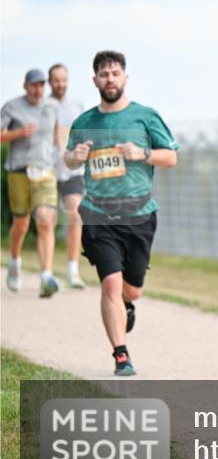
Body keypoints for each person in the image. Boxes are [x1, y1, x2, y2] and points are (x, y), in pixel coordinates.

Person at [64, 50, 179, 376]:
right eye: (104, 74)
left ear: (124, 77)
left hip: (139, 215)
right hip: (99, 215)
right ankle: (121, 355)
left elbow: (171, 158)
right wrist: (76, 155)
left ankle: (126, 305)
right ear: (95, 80)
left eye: (115, 73)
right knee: (111, 285)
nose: (110, 79)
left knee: (131, 289)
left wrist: (143, 153)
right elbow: (69, 160)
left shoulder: (145, 116)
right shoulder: (85, 122)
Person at [1, 69, 61, 297]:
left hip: (45, 171)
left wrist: (62, 156)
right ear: (25, 86)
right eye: (34, 85)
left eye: (41, 85)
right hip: (18, 171)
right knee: (21, 225)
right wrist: (18, 133)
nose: (38, 90)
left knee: (46, 219)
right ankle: (15, 261)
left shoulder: (52, 107)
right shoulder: (12, 107)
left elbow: (56, 135)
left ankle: (46, 275)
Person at [50, 63, 88, 289]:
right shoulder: (42, 107)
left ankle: (72, 270)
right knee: (47, 220)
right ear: (50, 82)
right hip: (46, 169)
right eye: (56, 80)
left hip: (71, 171)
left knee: (76, 214)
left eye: (64, 79)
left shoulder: (76, 106)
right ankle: (47, 270)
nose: (61, 84)